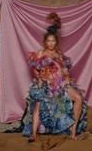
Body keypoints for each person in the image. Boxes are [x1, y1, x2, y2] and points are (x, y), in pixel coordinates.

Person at [22, 13, 87, 142]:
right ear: (45, 41)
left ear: (56, 42)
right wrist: (41, 79)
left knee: (78, 98)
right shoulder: (41, 53)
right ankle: (33, 134)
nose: (51, 43)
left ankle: (73, 132)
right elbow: (35, 70)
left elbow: (64, 70)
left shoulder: (59, 54)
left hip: (60, 84)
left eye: (53, 41)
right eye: (49, 41)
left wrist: (67, 77)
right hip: (46, 84)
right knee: (38, 104)